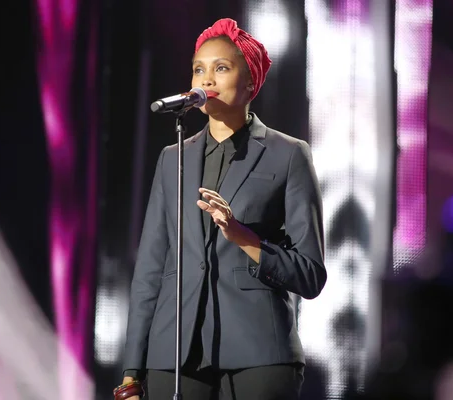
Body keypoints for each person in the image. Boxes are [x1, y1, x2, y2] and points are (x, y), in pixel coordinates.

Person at [114, 18, 326, 400]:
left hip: (259, 354)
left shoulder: (289, 154)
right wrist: (132, 371)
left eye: (221, 68)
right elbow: (150, 269)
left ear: (250, 83)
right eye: (199, 69)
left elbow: (310, 275)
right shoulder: (172, 158)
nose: (206, 79)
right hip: (175, 356)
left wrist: (243, 236)